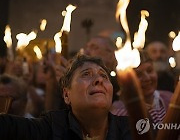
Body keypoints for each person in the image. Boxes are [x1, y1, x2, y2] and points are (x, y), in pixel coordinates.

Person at [0, 55, 131, 140]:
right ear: (67, 95)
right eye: (86, 74)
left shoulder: (132, 129)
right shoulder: (51, 128)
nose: (99, 80)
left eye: (104, 76)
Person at [111, 50, 173, 124]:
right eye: (138, 75)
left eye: (149, 71)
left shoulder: (170, 99)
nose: (147, 78)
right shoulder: (120, 114)